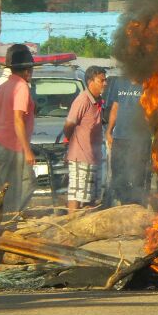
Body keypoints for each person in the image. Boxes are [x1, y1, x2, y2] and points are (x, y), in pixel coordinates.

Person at [0, 44, 37, 219]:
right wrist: (27, 150)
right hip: (13, 144)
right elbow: (18, 119)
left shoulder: (3, 87)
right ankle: (12, 214)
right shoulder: (22, 87)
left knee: (4, 183)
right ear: (27, 71)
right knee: (28, 182)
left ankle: (1, 216)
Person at [63, 66, 107, 211]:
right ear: (90, 82)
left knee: (91, 197)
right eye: (101, 80)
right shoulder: (82, 100)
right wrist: (69, 142)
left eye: (105, 80)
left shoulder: (99, 101)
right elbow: (69, 124)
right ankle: (71, 222)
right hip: (81, 156)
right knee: (76, 194)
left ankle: (88, 223)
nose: (105, 83)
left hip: (95, 157)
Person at [104, 76, 152, 206]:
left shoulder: (148, 83)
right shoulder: (119, 82)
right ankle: (123, 205)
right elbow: (115, 108)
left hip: (140, 140)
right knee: (118, 175)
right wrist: (109, 131)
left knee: (137, 177)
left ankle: (137, 206)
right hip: (120, 137)